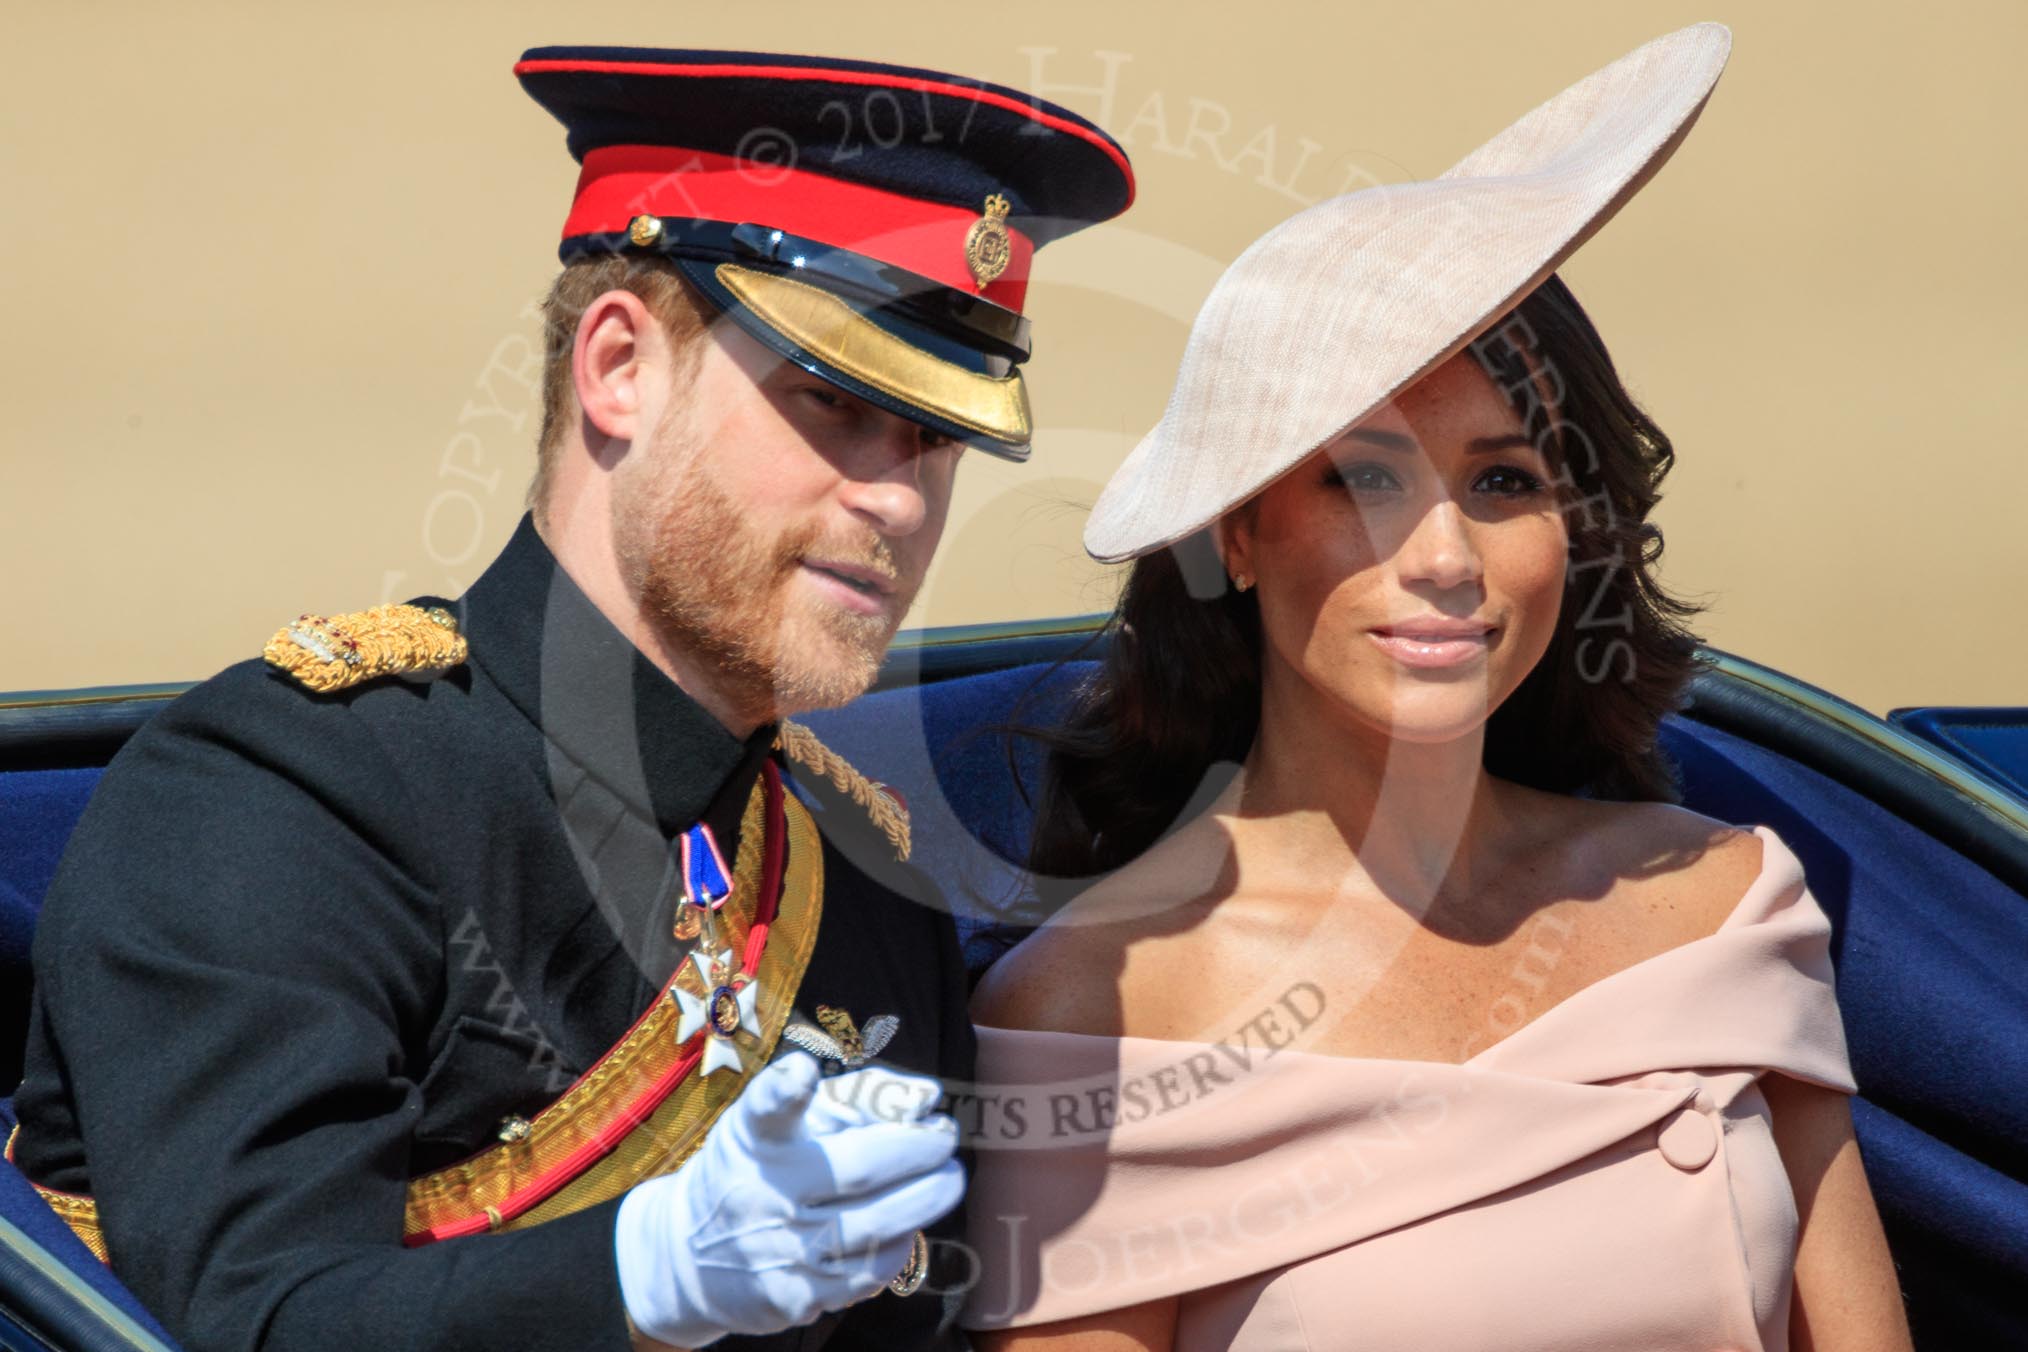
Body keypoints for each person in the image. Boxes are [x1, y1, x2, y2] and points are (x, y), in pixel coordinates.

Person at [6, 46, 1133, 1352]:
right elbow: (263, 1312)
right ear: (619, 371)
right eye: (833, 402)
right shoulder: (289, 799)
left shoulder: (865, 886)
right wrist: (641, 1276)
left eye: (936, 440)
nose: (894, 495)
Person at [962, 25, 1912, 1352]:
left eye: (1505, 481)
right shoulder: (1097, 1008)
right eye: (1362, 480)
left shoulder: (1723, 904)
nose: (1448, 560)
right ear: (1236, 534)